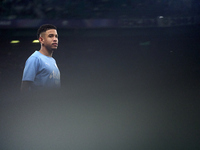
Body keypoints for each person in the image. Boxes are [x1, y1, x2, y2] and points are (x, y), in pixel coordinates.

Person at [21, 24, 60, 92]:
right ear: (41, 40)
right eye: (50, 36)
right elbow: (25, 87)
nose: (55, 39)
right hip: (39, 102)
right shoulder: (35, 59)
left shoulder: (53, 60)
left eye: (56, 36)